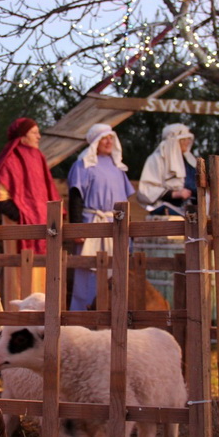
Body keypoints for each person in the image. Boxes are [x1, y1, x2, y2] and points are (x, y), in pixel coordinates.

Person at [0, 117, 62, 297]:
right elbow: (0, 198)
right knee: (19, 274)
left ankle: (43, 311)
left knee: (44, 271)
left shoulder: (38, 157)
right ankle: (18, 312)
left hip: (41, 225)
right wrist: (23, 216)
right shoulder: (10, 159)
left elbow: (47, 191)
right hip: (19, 226)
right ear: (22, 135)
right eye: (34, 132)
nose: (39, 136)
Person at [67, 123, 135, 310]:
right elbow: (76, 197)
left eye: (111, 138)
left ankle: (112, 314)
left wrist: (129, 231)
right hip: (92, 224)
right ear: (95, 142)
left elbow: (125, 200)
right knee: (87, 271)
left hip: (115, 225)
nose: (108, 142)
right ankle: (82, 316)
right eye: (104, 138)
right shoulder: (83, 165)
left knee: (116, 271)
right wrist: (77, 229)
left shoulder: (118, 168)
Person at [136, 123, 197, 216]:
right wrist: (176, 193)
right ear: (173, 141)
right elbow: (145, 190)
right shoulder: (156, 159)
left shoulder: (190, 162)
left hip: (191, 212)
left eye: (188, 139)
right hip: (167, 213)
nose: (187, 142)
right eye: (184, 139)